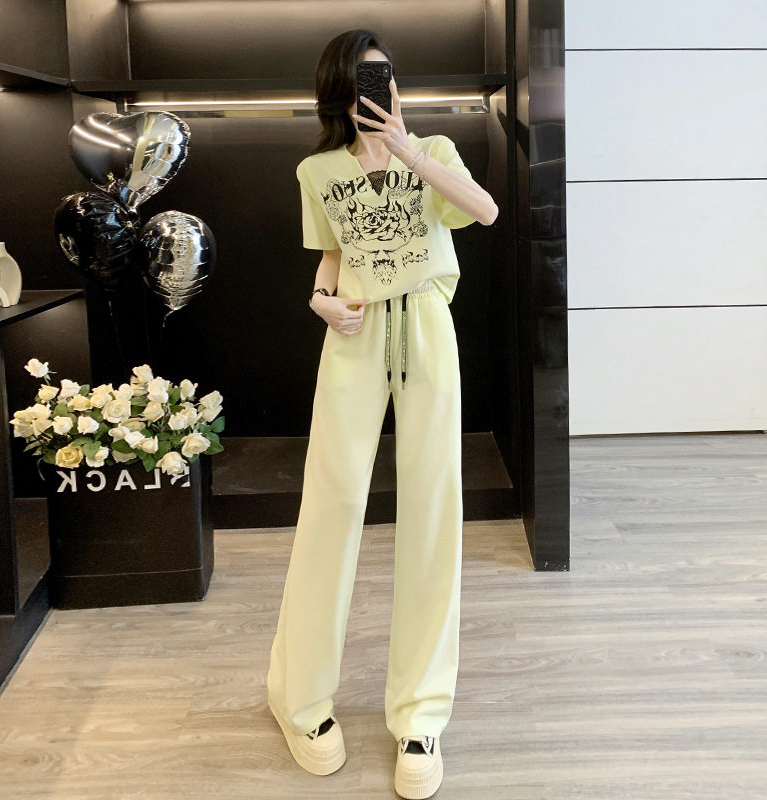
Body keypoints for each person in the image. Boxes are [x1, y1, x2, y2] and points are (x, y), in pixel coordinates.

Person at [266, 29, 498, 800]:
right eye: (365, 79)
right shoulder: (317, 171)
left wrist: (406, 151)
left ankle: (421, 714)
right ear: (339, 90)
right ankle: (299, 699)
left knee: (432, 508)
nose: (380, 88)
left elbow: (485, 211)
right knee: (330, 506)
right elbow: (332, 256)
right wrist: (320, 300)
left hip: (426, 326)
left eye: (386, 75)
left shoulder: (431, 149)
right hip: (355, 335)